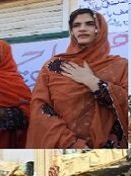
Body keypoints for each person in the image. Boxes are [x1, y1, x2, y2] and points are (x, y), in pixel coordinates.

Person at [27, 9, 128, 148]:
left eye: (89, 24)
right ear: (72, 31)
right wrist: (72, 144)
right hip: (65, 148)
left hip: (110, 150)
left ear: (100, 29)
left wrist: (92, 82)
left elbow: (126, 104)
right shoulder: (53, 67)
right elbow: (41, 109)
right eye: (76, 25)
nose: (82, 28)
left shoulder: (120, 66)